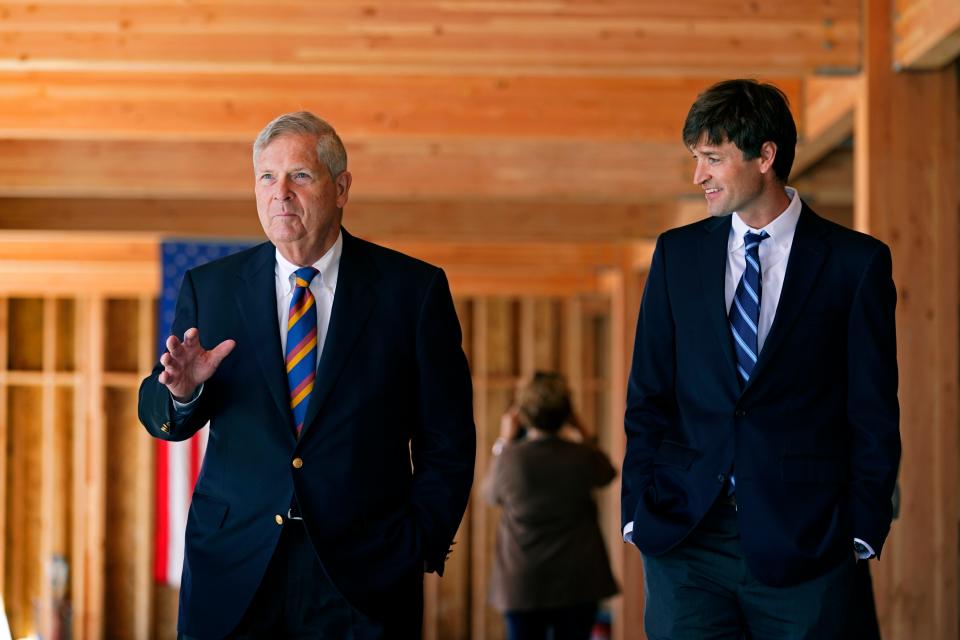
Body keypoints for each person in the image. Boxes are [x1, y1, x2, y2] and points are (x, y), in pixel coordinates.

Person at [138, 111, 476, 639]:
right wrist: (183, 393)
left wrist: (420, 540)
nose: (280, 194)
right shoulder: (212, 287)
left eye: (300, 176)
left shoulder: (412, 291)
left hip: (366, 573)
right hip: (235, 567)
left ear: (341, 188)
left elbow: (448, 436)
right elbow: (166, 415)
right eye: (267, 178)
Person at [620, 79, 900, 639]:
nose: (698, 175)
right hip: (686, 538)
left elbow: (871, 407)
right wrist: (636, 509)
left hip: (808, 545)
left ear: (765, 156)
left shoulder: (856, 264)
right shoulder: (678, 255)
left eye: (713, 158)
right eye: (697, 158)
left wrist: (862, 529)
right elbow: (649, 394)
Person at [484, 371, 619, 640]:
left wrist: (503, 441)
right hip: (577, 580)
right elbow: (608, 473)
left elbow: (490, 495)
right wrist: (582, 430)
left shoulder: (510, 459)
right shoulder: (582, 456)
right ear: (567, 412)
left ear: (521, 413)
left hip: (522, 582)